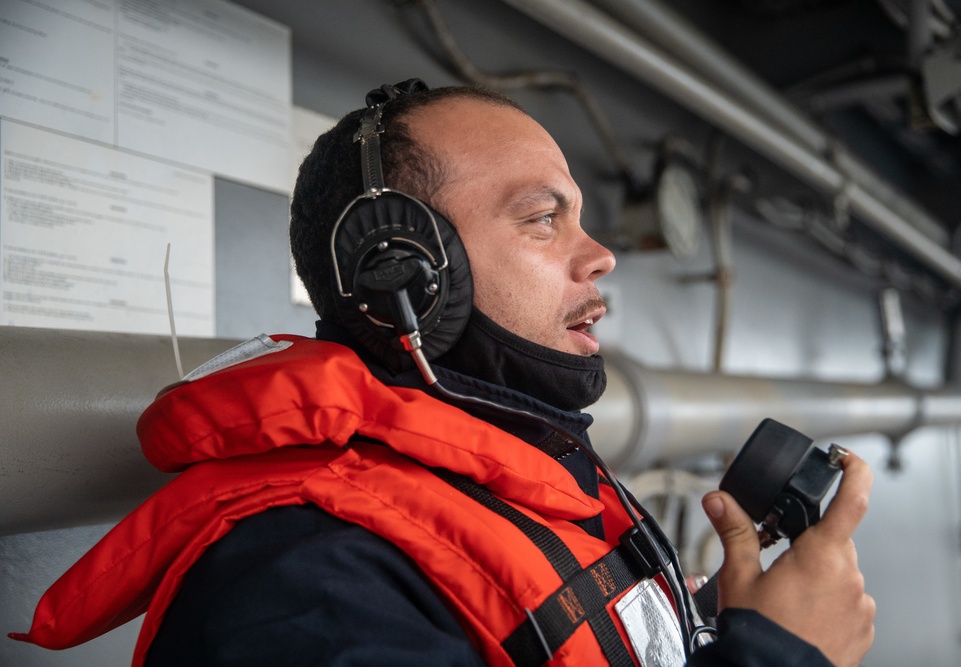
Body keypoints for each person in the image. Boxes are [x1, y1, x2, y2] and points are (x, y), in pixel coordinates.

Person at [12, 80, 874, 666]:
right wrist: (785, 654)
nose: (602, 255)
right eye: (544, 219)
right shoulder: (307, 579)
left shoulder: (524, 472)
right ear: (405, 268)